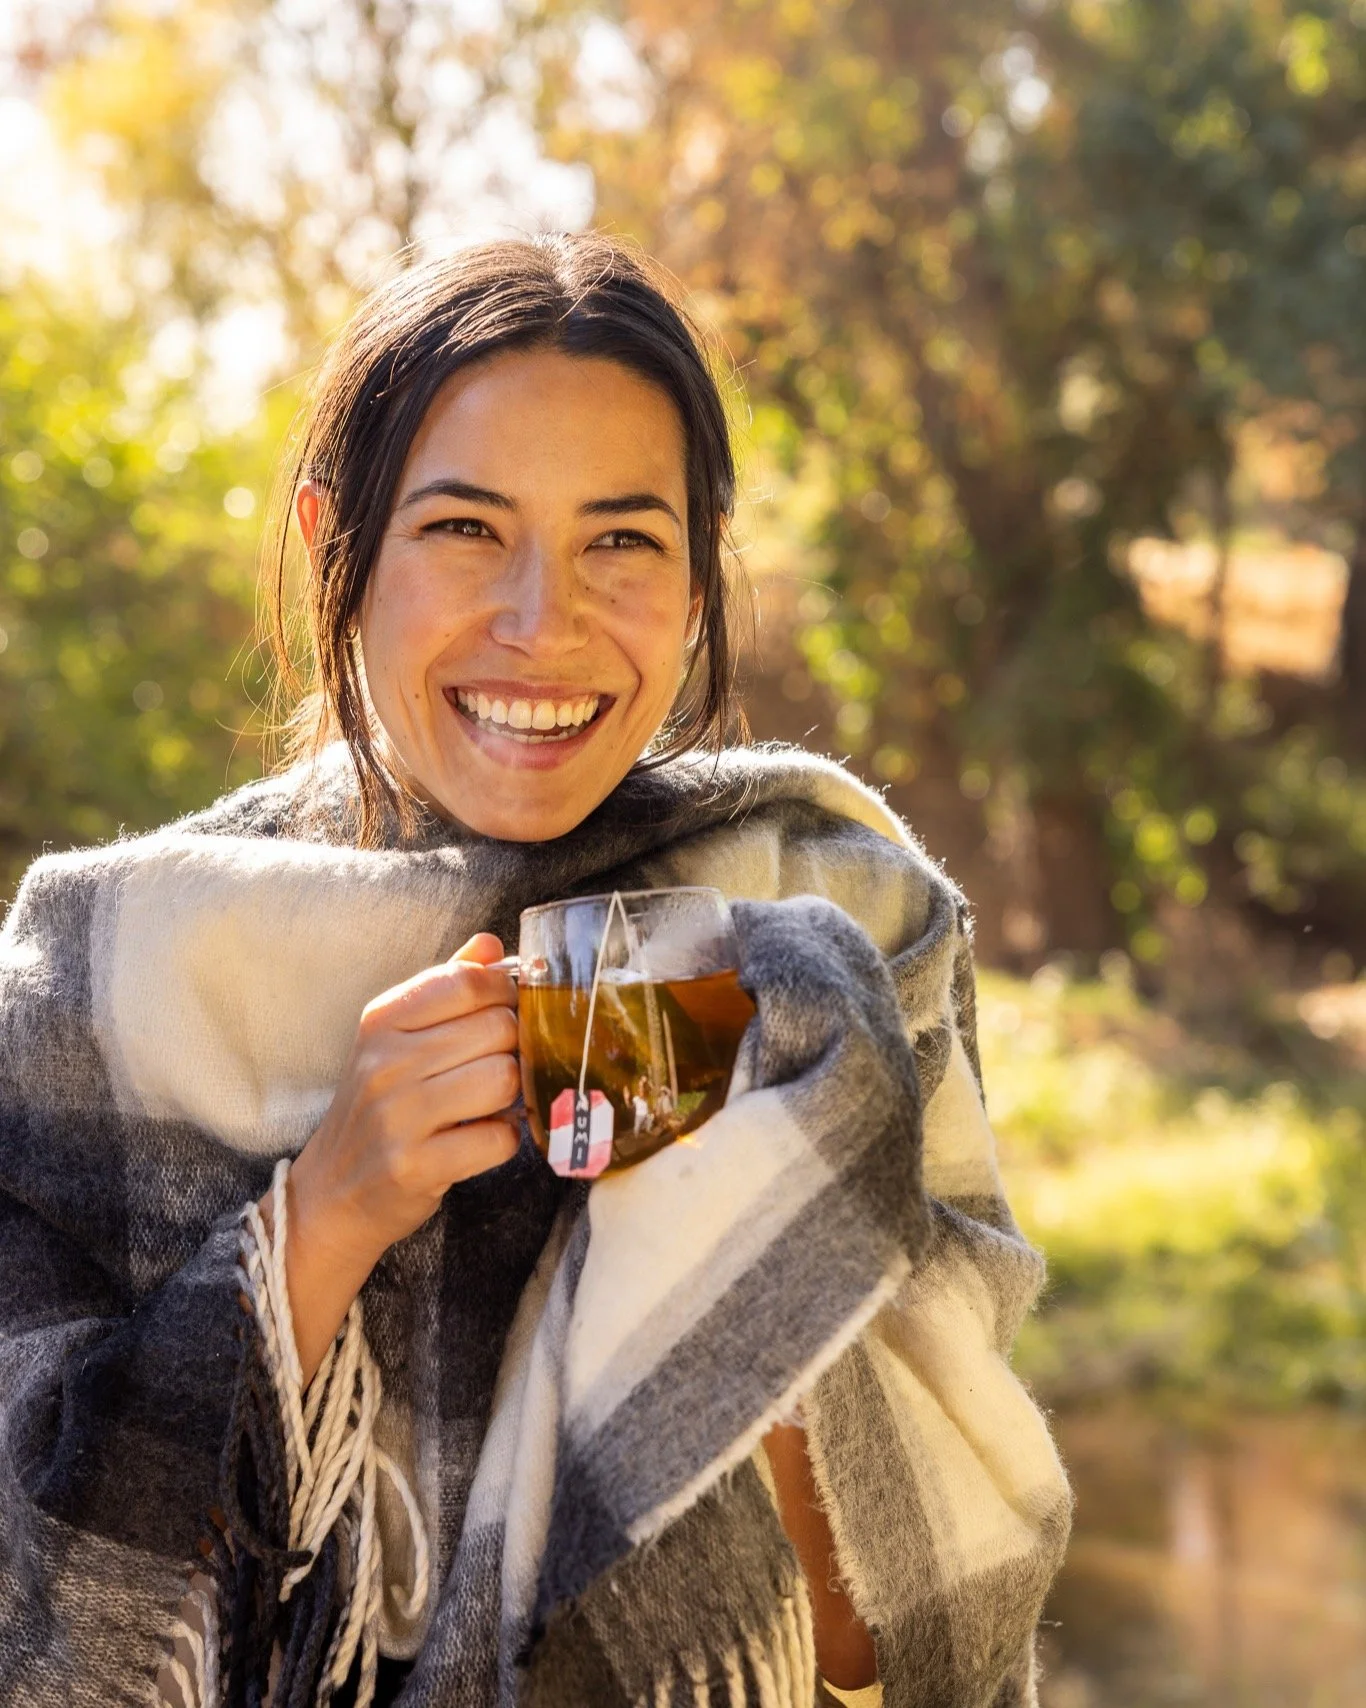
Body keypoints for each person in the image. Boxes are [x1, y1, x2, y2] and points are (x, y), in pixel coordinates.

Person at [0, 233, 1071, 1708]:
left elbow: (919, 1647)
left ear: (698, 575)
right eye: (463, 527)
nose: (540, 623)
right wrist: (325, 1217)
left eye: (621, 541)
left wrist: (742, 1240)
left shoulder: (837, 917)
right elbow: (44, 1636)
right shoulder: (105, 987)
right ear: (335, 544)